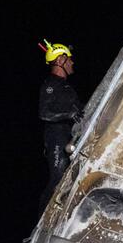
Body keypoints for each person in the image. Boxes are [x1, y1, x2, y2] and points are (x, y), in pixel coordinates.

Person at [38, 39, 82, 213]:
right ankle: (40, 222)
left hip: (70, 137)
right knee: (57, 177)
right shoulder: (50, 84)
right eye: (68, 58)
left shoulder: (67, 88)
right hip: (56, 137)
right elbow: (44, 113)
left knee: (71, 178)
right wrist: (69, 114)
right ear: (59, 61)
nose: (72, 62)